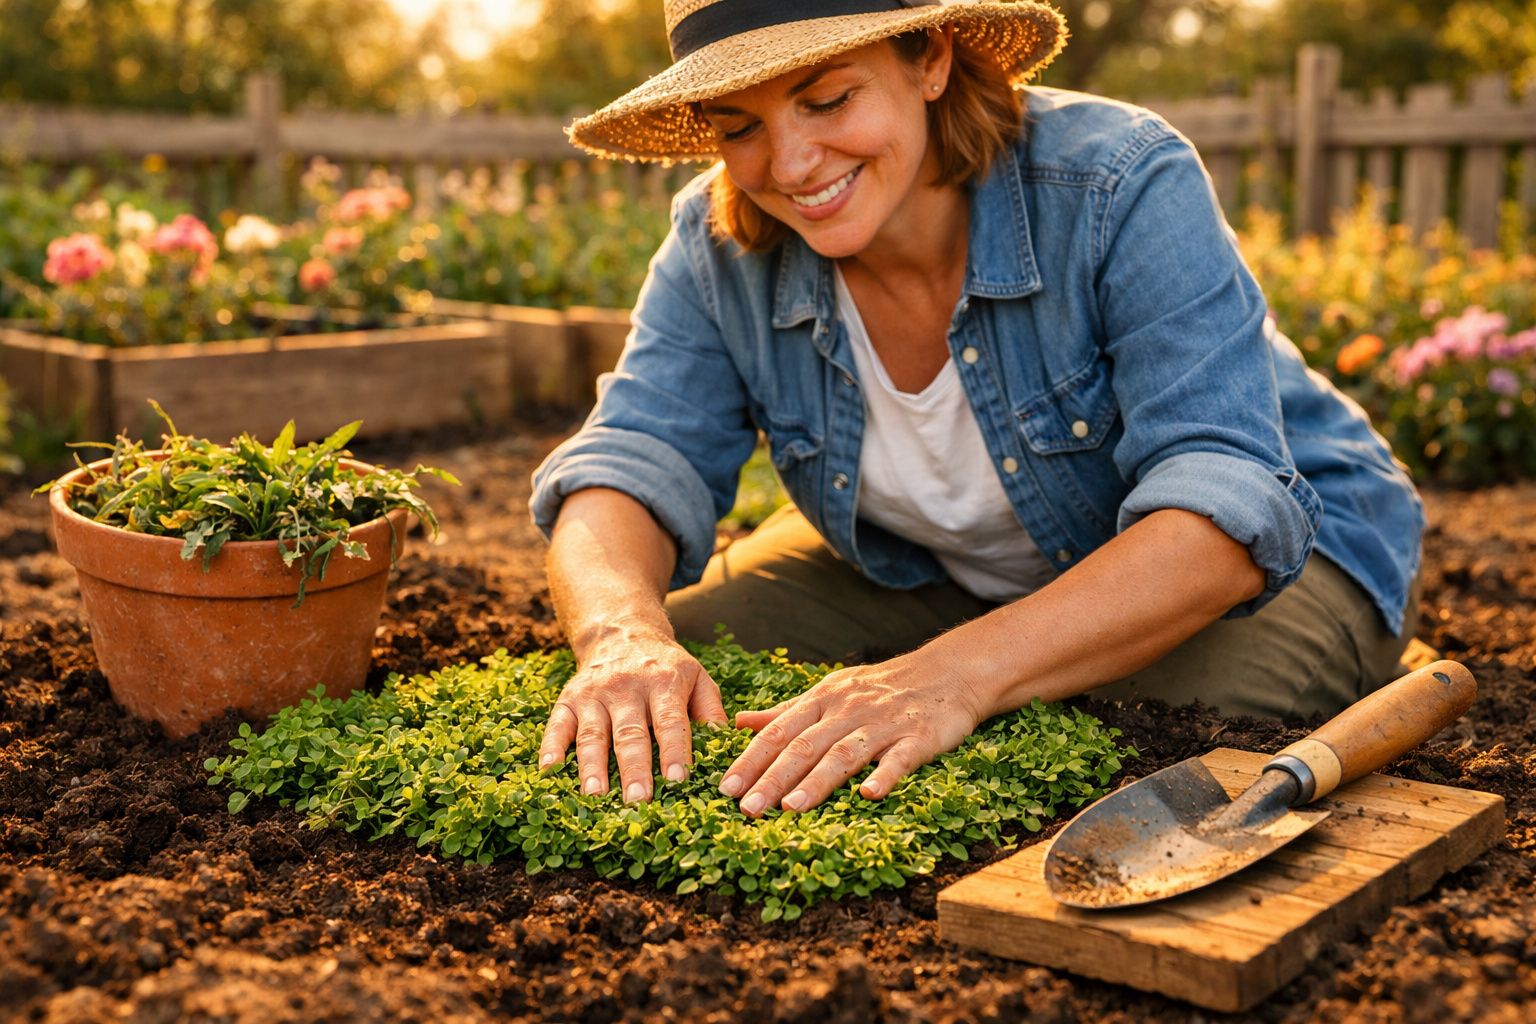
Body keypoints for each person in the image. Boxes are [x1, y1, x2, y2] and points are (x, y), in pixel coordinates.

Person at [528, 0, 1424, 819]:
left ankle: (1343, 649)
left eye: (829, 100)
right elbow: (633, 457)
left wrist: (946, 677)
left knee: (1144, 728)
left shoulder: (1116, 180)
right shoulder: (715, 244)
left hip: (1287, 556)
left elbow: (1227, 508)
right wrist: (622, 637)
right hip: (935, 563)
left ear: (931, 60)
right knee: (688, 664)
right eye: (739, 127)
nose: (791, 164)